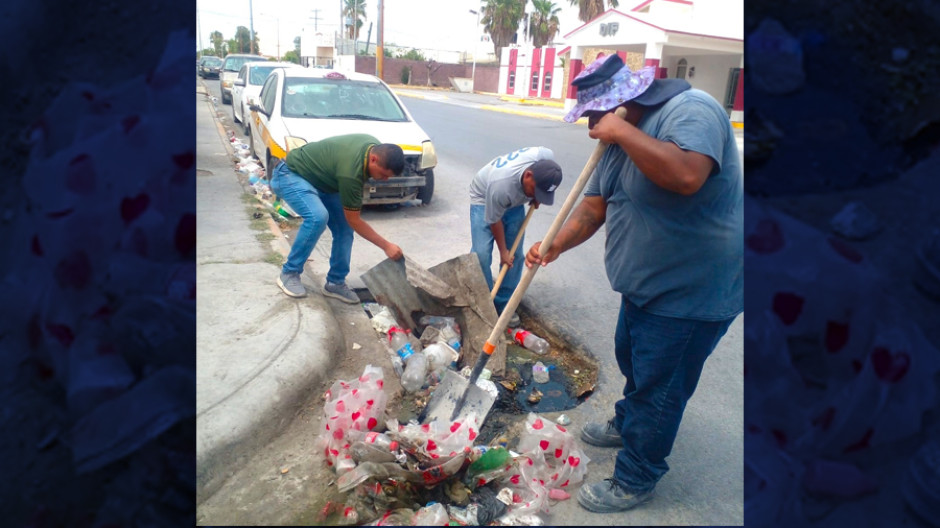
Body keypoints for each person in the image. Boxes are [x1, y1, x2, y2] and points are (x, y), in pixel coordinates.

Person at [525, 54, 743, 512]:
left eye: (593, 114)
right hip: (645, 287)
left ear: (622, 102)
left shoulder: (692, 110)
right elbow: (593, 208)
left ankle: (637, 476)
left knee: (659, 389)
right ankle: (628, 422)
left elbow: (687, 175)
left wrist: (622, 132)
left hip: (691, 292)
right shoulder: (617, 142)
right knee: (634, 361)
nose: (590, 125)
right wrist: (553, 245)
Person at [270, 133, 405, 301]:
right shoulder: (351, 172)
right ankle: (289, 273)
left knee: (344, 228)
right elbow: (355, 220)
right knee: (318, 217)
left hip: (324, 182)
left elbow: (350, 219)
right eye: (384, 174)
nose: (385, 180)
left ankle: (335, 283)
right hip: (290, 174)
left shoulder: (374, 147)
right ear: (373, 159)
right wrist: (386, 246)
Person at [469, 147, 563, 325]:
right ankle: (484, 303)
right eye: (535, 190)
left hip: (513, 199)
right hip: (483, 197)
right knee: (480, 255)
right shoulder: (501, 185)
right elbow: (494, 220)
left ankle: (503, 305)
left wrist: (538, 195)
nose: (535, 195)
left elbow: (544, 179)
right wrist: (503, 251)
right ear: (528, 175)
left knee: (515, 257)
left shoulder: (545, 158)